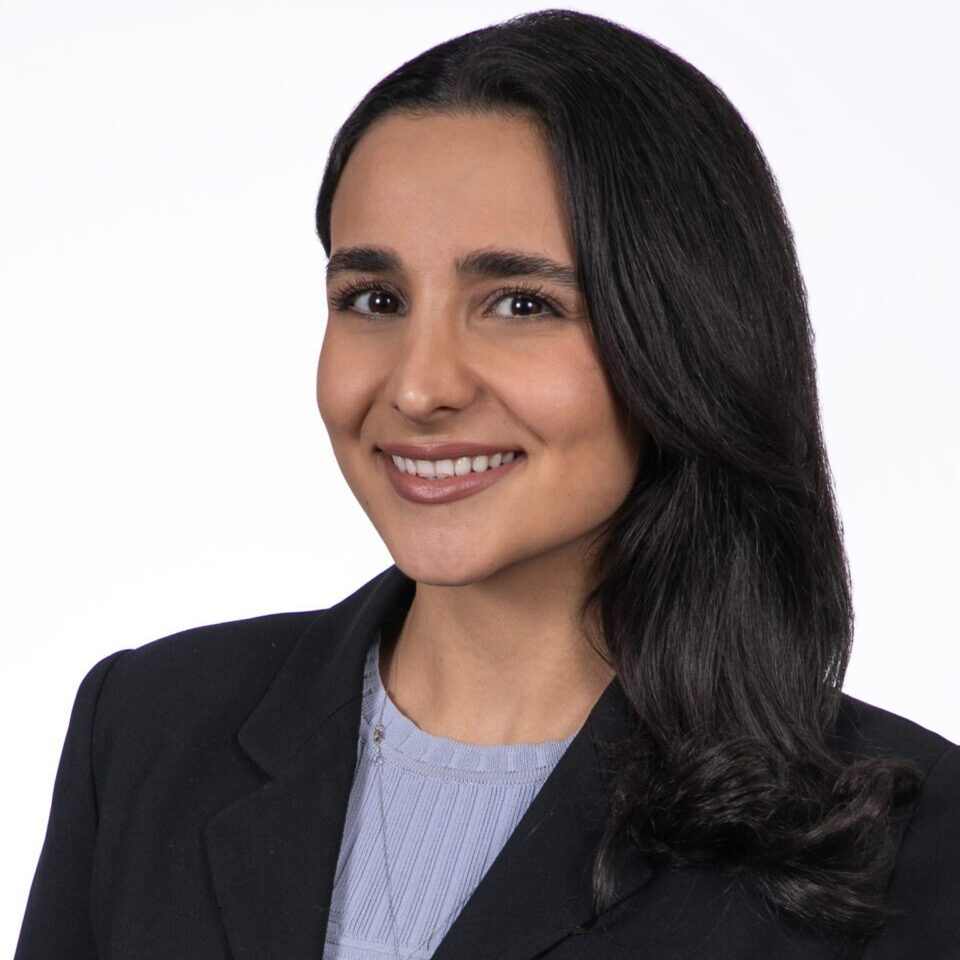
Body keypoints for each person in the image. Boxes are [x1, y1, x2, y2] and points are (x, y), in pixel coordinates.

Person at [14, 8, 959, 960]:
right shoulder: (147, 732)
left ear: (685, 339)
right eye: (373, 299)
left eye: (520, 304)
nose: (419, 387)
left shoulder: (907, 841)